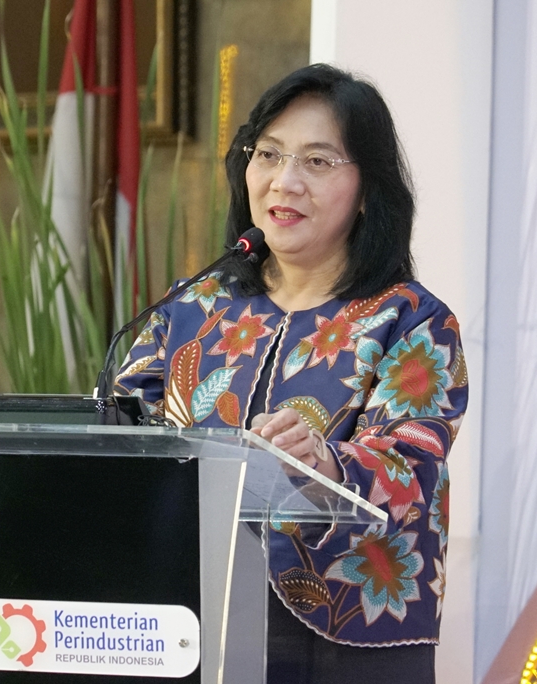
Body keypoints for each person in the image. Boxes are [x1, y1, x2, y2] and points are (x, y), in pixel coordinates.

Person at [113, 63, 467, 682]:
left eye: (318, 161)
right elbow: (119, 430)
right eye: (269, 154)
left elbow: (411, 467)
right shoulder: (191, 307)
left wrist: (323, 462)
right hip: (190, 618)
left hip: (343, 638)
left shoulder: (411, 320)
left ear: (368, 189)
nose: (285, 181)